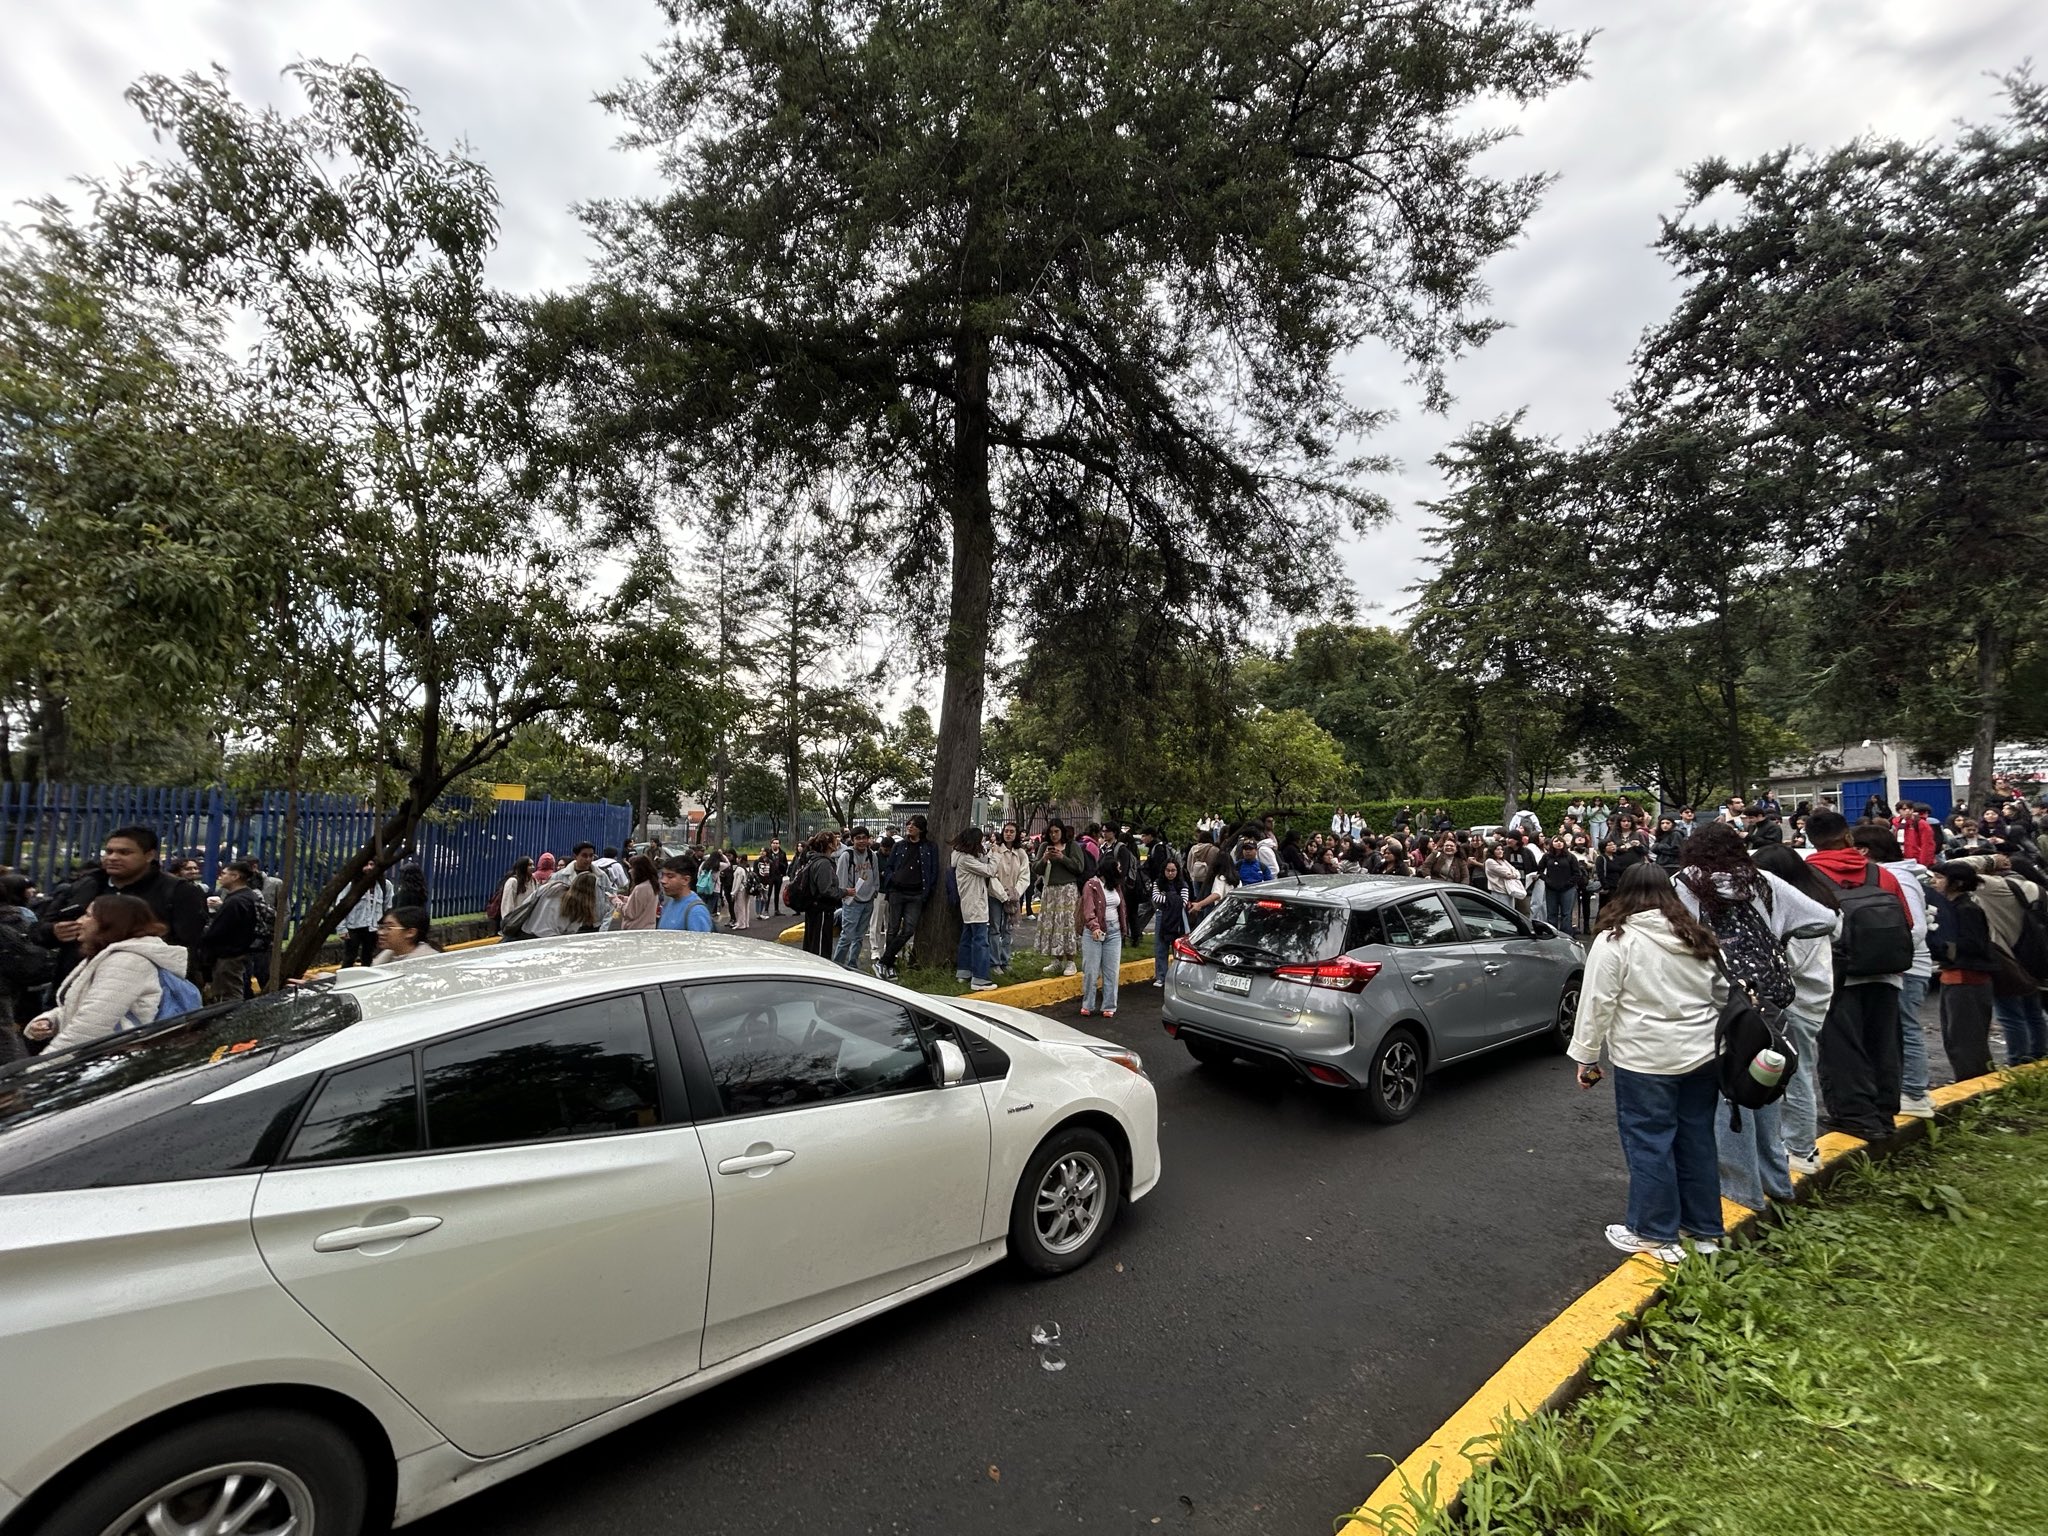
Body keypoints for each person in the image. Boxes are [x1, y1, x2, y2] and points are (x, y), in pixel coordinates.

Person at [1566, 863, 1728, 1262]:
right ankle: (1704, 1230)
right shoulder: (1696, 935)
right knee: (1697, 1139)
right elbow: (1723, 992)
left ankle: (1655, 1233)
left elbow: (1596, 1005)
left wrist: (1587, 1057)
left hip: (1646, 1058)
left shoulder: (1616, 940)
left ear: (1623, 893)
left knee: (1650, 1143)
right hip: (1704, 1055)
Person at [1670, 825, 1832, 1210]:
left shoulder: (1683, 884)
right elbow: (1826, 919)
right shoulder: (1763, 882)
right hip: (1770, 1002)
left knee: (1730, 1093)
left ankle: (1741, 1192)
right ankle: (1778, 1183)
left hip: (1722, 1001)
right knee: (1766, 1086)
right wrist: (1781, 935)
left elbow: (1677, 939)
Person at [1805, 808, 1916, 1137]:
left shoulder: (1806, 877)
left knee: (1842, 1049)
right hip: (1886, 973)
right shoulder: (1881, 875)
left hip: (1836, 976)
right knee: (1885, 1046)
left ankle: (1855, 1116)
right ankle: (1885, 1113)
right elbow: (1907, 922)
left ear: (1811, 841)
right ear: (1848, 836)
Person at [1752, 844, 1842, 1175]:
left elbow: (1791, 962)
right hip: (1810, 999)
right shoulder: (1816, 903)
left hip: (1798, 1002)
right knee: (1793, 1072)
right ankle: (1796, 1145)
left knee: (1796, 1076)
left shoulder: (1799, 912)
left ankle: (1801, 1149)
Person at [22, 894, 196, 1052]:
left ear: (111, 923)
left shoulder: (126, 962)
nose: (80, 921)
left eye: (88, 915)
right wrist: (52, 1020)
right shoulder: (109, 955)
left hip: (116, 1061)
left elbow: (90, 1025)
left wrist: (40, 1071)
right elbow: (93, 1007)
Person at [38, 825, 208, 985]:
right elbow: (38, 930)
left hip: (142, 989)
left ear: (149, 855)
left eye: (124, 852)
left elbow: (185, 947)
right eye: (109, 851)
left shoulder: (178, 891)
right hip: (76, 983)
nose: (113, 858)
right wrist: (54, 931)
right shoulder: (86, 884)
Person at [1852, 823, 1937, 1117]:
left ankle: (1915, 1091)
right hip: (1900, 965)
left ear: (1864, 850)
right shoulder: (1896, 875)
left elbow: (1916, 926)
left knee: (1905, 1030)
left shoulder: (1898, 877)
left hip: (1906, 968)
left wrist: (1885, 952)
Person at [1952, 851, 2047, 1066]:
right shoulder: (2035, 887)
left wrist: (1990, 858)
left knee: (2010, 1014)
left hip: (2006, 956)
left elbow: (1955, 866)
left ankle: (2018, 1062)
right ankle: (2040, 1056)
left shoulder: (1992, 887)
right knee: (2034, 1011)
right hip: (2035, 956)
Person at [1928, 861, 1997, 1081]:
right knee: (1953, 1038)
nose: (1934, 882)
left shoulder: (1967, 909)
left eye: (1939, 878)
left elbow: (1974, 945)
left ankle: (1976, 1085)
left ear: (1957, 883)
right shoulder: (1951, 907)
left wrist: (1940, 945)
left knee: (1966, 1040)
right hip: (1953, 977)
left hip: (1967, 979)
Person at [875, 816, 938, 980]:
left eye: (914, 825)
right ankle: (889, 964)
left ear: (921, 829)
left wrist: (928, 890)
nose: (910, 827)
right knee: (892, 929)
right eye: (908, 824)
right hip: (897, 892)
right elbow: (889, 866)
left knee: (909, 929)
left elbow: (933, 871)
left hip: (916, 894)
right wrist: (892, 878)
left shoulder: (929, 847)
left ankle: (883, 961)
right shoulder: (899, 845)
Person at [197, 858, 267, 1005]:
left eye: (224, 874)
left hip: (229, 955)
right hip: (237, 952)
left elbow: (218, 932)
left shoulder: (236, 901)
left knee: (229, 995)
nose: (220, 877)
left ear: (235, 876)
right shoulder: (247, 897)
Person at [1077, 857, 1128, 1018]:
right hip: (1094, 933)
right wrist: (1095, 927)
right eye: (1117, 868)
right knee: (1091, 970)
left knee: (1111, 971)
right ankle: (1088, 1004)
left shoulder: (1116, 887)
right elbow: (1088, 909)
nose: (1120, 871)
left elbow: (1122, 908)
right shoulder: (1091, 885)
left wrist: (1123, 928)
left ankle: (1109, 1005)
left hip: (1114, 932)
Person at [950, 827, 998, 991]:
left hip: (969, 904)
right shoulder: (966, 860)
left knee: (967, 938)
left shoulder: (961, 857)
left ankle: (964, 972)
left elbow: (982, 861)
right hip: (976, 903)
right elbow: (990, 870)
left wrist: (987, 853)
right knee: (980, 941)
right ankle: (980, 978)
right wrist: (995, 854)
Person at [1035, 821, 1085, 977]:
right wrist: (1044, 859)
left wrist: (1062, 858)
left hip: (1067, 890)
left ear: (1062, 832)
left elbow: (1079, 867)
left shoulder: (1072, 846)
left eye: (1056, 831)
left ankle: (1070, 961)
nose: (1053, 835)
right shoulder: (1044, 847)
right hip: (1050, 890)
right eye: (1051, 832)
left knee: (1068, 924)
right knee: (1052, 925)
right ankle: (1056, 960)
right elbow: (1036, 868)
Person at [833, 826, 881, 971]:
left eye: (864, 838)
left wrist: (875, 891)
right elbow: (840, 879)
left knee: (859, 937)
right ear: (852, 840)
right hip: (852, 902)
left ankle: (852, 965)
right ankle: (837, 965)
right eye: (857, 838)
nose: (861, 841)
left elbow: (876, 876)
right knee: (847, 936)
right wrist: (847, 897)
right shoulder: (847, 856)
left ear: (868, 839)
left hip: (868, 901)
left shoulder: (872, 855)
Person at [988, 823, 1030, 974]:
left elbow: (1024, 876)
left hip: (1013, 896)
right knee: (995, 929)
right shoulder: (995, 850)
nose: (1009, 834)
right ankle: (994, 963)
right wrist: (1002, 895)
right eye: (1006, 831)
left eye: (1012, 831)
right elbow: (991, 874)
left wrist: (1015, 893)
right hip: (996, 895)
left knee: (1008, 929)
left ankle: (1005, 961)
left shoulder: (1021, 853)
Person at [345, 860, 397, 964]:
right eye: (365, 864)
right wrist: (341, 928)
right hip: (353, 927)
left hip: (373, 927)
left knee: (368, 956)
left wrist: (385, 926)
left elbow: (388, 906)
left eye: (372, 864)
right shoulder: (351, 884)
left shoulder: (385, 885)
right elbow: (341, 905)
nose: (369, 868)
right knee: (349, 957)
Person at [1151, 857, 1192, 987]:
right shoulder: (1158, 883)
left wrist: (1167, 898)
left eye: (1173, 870)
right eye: (1168, 870)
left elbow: (1184, 902)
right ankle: (1161, 976)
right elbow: (1155, 897)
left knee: (1178, 948)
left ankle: (1177, 976)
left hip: (1178, 918)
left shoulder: (1183, 884)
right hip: (1161, 916)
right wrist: (1174, 899)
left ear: (1177, 871)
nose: (1170, 873)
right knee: (1160, 947)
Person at [1537, 836, 1584, 935]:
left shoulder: (1570, 857)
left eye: (1561, 841)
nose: (1559, 843)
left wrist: (1568, 883)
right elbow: (1539, 870)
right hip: (1551, 889)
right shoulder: (1546, 857)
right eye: (1556, 841)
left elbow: (1577, 873)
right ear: (1551, 843)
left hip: (1568, 889)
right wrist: (1547, 880)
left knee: (1566, 913)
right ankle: (1552, 933)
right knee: (1551, 913)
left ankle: (1566, 933)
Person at [658, 856, 716, 932]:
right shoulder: (670, 901)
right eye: (663, 875)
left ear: (686, 880)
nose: (663, 881)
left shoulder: (696, 911)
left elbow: (700, 942)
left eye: (670, 876)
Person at [373, 905, 437, 963]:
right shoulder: (383, 958)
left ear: (410, 932)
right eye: (382, 927)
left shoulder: (428, 963)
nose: (380, 933)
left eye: (389, 928)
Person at [619, 854, 661, 931]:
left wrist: (617, 902)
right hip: (647, 929)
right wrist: (626, 899)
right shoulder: (651, 884)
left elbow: (629, 913)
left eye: (631, 868)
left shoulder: (641, 888)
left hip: (636, 931)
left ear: (639, 870)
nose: (629, 871)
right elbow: (641, 904)